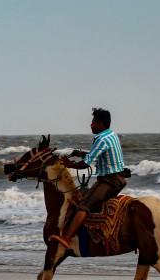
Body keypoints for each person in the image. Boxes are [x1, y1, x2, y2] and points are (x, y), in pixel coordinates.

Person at [49, 107, 128, 250]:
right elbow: (95, 154)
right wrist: (76, 153)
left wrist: (70, 165)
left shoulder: (101, 139)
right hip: (118, 178)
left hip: (109, 180)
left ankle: (66, 238)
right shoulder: (111, 135)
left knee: (84, 205)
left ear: (100, 124)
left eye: (93, 122)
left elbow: (86, 163)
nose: (90, 125)